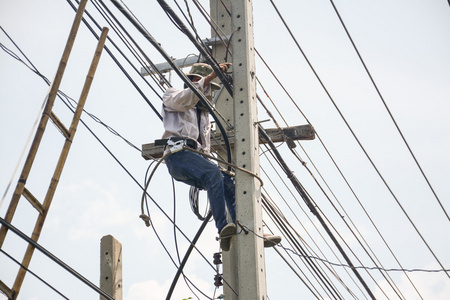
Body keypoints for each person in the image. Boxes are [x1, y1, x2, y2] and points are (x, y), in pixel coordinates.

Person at [161, 62, 280, 251]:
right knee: (214, 174)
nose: (208, 93)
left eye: (210, 89)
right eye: (207, 87)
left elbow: (205, 149)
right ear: (193, 81)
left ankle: (251, 231)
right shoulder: (173, 95)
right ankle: (223, 227)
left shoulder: (204, 116)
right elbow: (184, 99)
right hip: (178, 156)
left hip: (194, 160)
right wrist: (208, 77)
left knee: (228, 184)